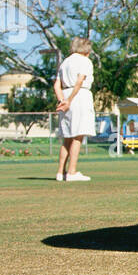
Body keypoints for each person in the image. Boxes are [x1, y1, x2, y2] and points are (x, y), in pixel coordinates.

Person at [54, 37, 96, 182]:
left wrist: (62, 101)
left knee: (67, 136)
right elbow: (79, 81)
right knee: (78, 135)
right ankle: (71, 172)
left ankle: (60, 172)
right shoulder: (85, 61)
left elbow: (56, 85)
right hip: (79, 96)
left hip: (65, 95)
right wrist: (70, 100)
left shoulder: (65, 62)